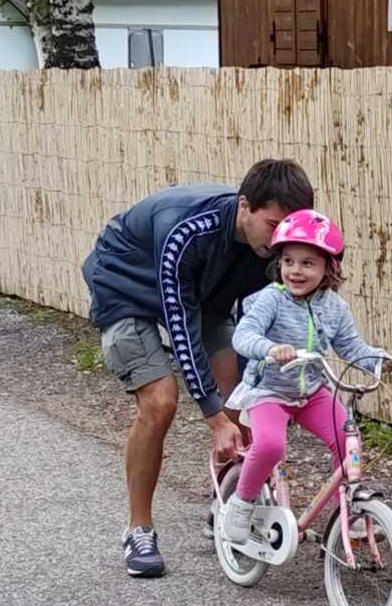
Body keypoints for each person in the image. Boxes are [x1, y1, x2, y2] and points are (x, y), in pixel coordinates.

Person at [82, 160, 315, 577]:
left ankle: (227, 502)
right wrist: (212, 417)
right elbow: (180, 325)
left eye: (288, 227)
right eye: (272, 224)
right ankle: (139, 529)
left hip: (205, 295)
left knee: (238, 394)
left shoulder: (274, 245)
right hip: (126, 286)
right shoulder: (185, 231)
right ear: (244, 207)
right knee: (160, 401)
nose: (281, 238)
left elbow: (280, 318)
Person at [217, 209, 391, 544]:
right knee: (270, 445)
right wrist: (270, 348)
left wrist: (381, 360)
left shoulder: (335, 307)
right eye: (288, 261)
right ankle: (242, 502)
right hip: (269, 390)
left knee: (348, 440)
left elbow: (352, 348)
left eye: (308, 263)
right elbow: (244, 335)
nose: (295, 271)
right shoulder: (272, 299)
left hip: (311, 392)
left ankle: (349, 510)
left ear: (329, 267)